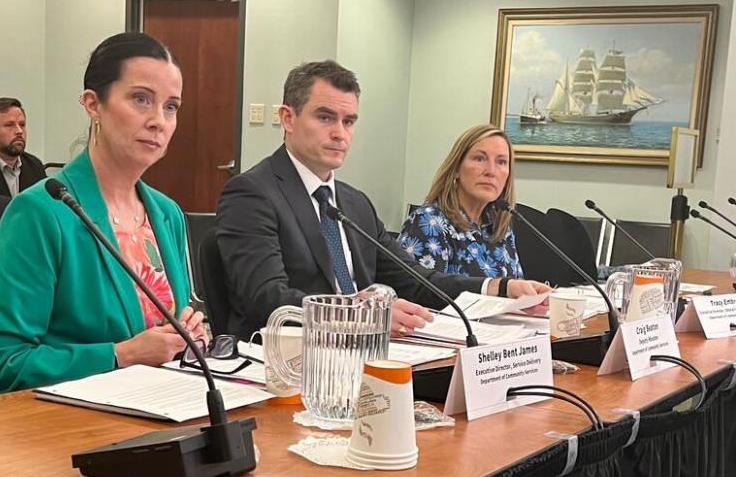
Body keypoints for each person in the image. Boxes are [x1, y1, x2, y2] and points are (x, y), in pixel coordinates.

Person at [215, 60, 549, 340]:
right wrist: (361, 316)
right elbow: (266, 298)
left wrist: (500, 288)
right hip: (290, 364)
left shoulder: (354, 203)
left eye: (348, 122)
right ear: (288, 118)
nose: (339, 133)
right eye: (325, 117)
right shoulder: (253, 193)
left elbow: (418, 281)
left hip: (366, 353)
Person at [0, 33, 206, 394]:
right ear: (93, 104)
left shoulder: (167, 214)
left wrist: (190, 337)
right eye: (141, 99)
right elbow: (1, 362)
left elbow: (170, 327)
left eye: (171, 106)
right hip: (69, 427)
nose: (159, 120)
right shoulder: (39, 213)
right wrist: (120, 355)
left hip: (165, 409)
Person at [398, 125, 523, 279]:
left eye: (501, 162)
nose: (491, 171)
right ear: (456, 168)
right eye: (480, 158)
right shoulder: (430, 222)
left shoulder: (500, 229)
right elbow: (420, 295)